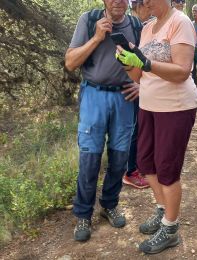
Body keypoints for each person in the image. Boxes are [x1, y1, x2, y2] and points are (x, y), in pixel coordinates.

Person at [115, 0, 197, 253]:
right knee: (146, 161)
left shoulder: (180, 22)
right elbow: (138, 76)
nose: (144, 2)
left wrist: (145, 63)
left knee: (167, 168)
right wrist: (128, 63)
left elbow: (183, 71)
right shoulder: (147, 28)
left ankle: (171, 228)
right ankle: (163, 212)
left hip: (175, 106)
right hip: (148, 104)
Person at [65, 0, 140, 241]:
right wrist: (97, 37)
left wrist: (141, 85)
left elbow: (149, 63)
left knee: (120, 158)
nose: (118, 1)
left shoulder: (138, 25)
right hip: (93, 95)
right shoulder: (88, 20)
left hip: (124, 98)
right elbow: (70, 62)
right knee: (89, 157)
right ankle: (83, 215)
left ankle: (109, 204)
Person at [122, 0, 152, 189]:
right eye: (146, 6)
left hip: (140, 85)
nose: (149, 10)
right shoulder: (134, 27)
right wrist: (136, 82)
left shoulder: (141, 26)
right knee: (136, 129)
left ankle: (138, 167)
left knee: (140, 128)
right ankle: (131, 170)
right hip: (132, 86)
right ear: (137, 7)